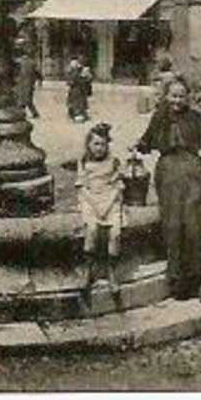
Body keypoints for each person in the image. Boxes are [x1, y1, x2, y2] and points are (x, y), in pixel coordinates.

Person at [135, 76, 201, 304]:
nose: (177, 100)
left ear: (188, 97)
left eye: (182, 96)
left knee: (196, 227)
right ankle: (179, 283)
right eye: (173, 95)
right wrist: (138, 147)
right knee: (173, 226)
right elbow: (146, 142)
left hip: (194, 175)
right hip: (167, 176)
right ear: (166, 96)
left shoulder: (197, 119)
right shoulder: (159, 118)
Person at [76, 121, 128, 294]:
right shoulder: (84, 162)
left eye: (103, 144)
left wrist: (109, 203)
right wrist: (94, 204)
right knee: (91, 230)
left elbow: (118, 185)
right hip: (91, 200)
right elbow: (81, 187)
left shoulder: (113, 162)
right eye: (96, 144)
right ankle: (87, 270)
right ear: (89, 145)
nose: (99, 148)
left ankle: (111, 272)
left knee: (115, 233)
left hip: (110, 199)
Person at [14, 38, 40, 119]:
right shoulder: (31, 62)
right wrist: (39, 80)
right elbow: (37, 73)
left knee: (22, 98)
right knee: (27, 98)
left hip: (21, 82)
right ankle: (33, 112)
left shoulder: (18, 62)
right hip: (29, 83)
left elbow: (14, 72)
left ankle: (21, 112)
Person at [66, 58, 94, 123]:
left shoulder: (76, 71)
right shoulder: (75, 71)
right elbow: (71, 81)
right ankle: (78, 115)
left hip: (79, 90)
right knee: (77, 103)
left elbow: (71, 81)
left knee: (79, 103)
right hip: (77, 90)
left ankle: (79, 115)